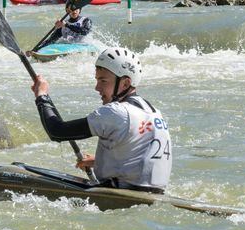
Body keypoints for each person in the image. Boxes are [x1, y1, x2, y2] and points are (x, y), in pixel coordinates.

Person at [31, 47, 171, 193]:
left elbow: (57, 132)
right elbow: (142, 156)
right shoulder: (155, 113)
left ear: (125, 83)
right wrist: (98, 162)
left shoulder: (116, 112)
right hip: (155, 194)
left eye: (103, 80)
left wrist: (41, 96)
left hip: (119, 192)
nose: (97, 87)